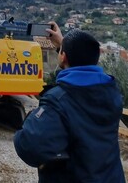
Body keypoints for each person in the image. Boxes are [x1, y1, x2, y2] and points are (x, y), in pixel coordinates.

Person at [14, 22, 125, 182]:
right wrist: (63, 44)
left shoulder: (59, 100)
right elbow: (85, 66)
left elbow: (30, 147)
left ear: (63, 56)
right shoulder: (112, 91)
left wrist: (27, 125)